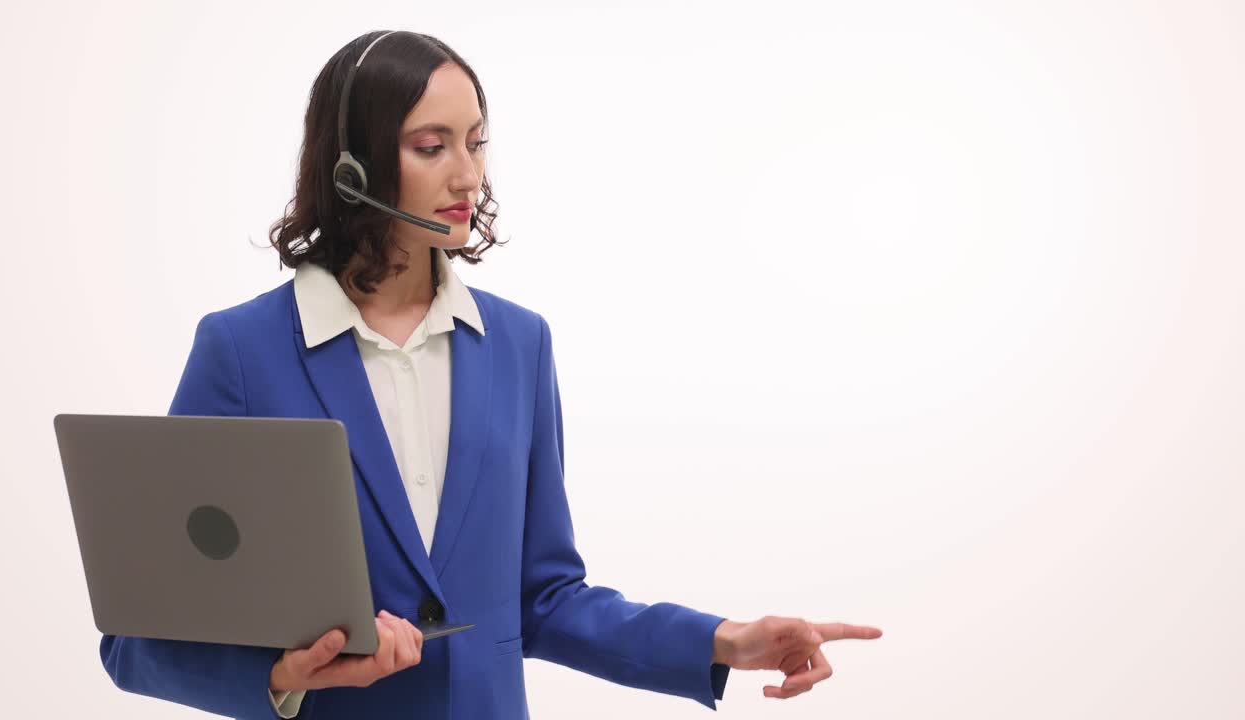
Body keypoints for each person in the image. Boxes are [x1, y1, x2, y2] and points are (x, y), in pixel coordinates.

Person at [97, 30, 883, 719]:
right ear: (351, 166)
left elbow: (544, 599)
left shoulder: (518, 344)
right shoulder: (242, 352)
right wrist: (280, 676)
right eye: (431, 146)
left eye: (476, 141)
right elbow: (137, 639)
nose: (468, 175)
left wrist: (723, 642)